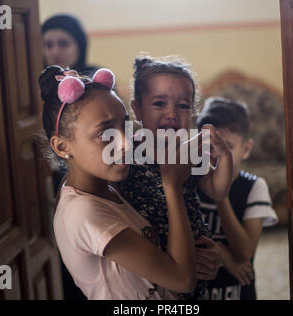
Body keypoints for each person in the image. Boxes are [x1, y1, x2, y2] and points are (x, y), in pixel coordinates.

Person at [39, 65, 197, 299]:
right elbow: (183, 279)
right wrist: (172, 184)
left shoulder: (106, 188)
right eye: (104, 134)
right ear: (62, 146)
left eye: (124, 125)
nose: (124, 143)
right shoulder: (84, 212)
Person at [117, 55, 234, 299]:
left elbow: (217, 190)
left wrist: (225, 156)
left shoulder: (189, 151)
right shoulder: (127, 152)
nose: (171, 114)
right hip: (150, 257)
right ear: (137, 109)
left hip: (192, 252)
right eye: (159, 104)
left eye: (182, 106)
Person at [42, 14, 101, 299]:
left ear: (79, 45)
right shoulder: (40, 85)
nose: (55, 51)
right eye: (48, 44)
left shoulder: (96, 82)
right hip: (52, 181)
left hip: (93, 179)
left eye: (63, 43)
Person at [196, 97, 279, 300]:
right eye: (210, 147)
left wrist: (220, 193)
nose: (218, 156)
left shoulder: (254, 187)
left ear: (246, 148)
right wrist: (223, 253)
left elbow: (244, 253)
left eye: (227, 147)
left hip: (237, 292)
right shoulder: (189, 181)